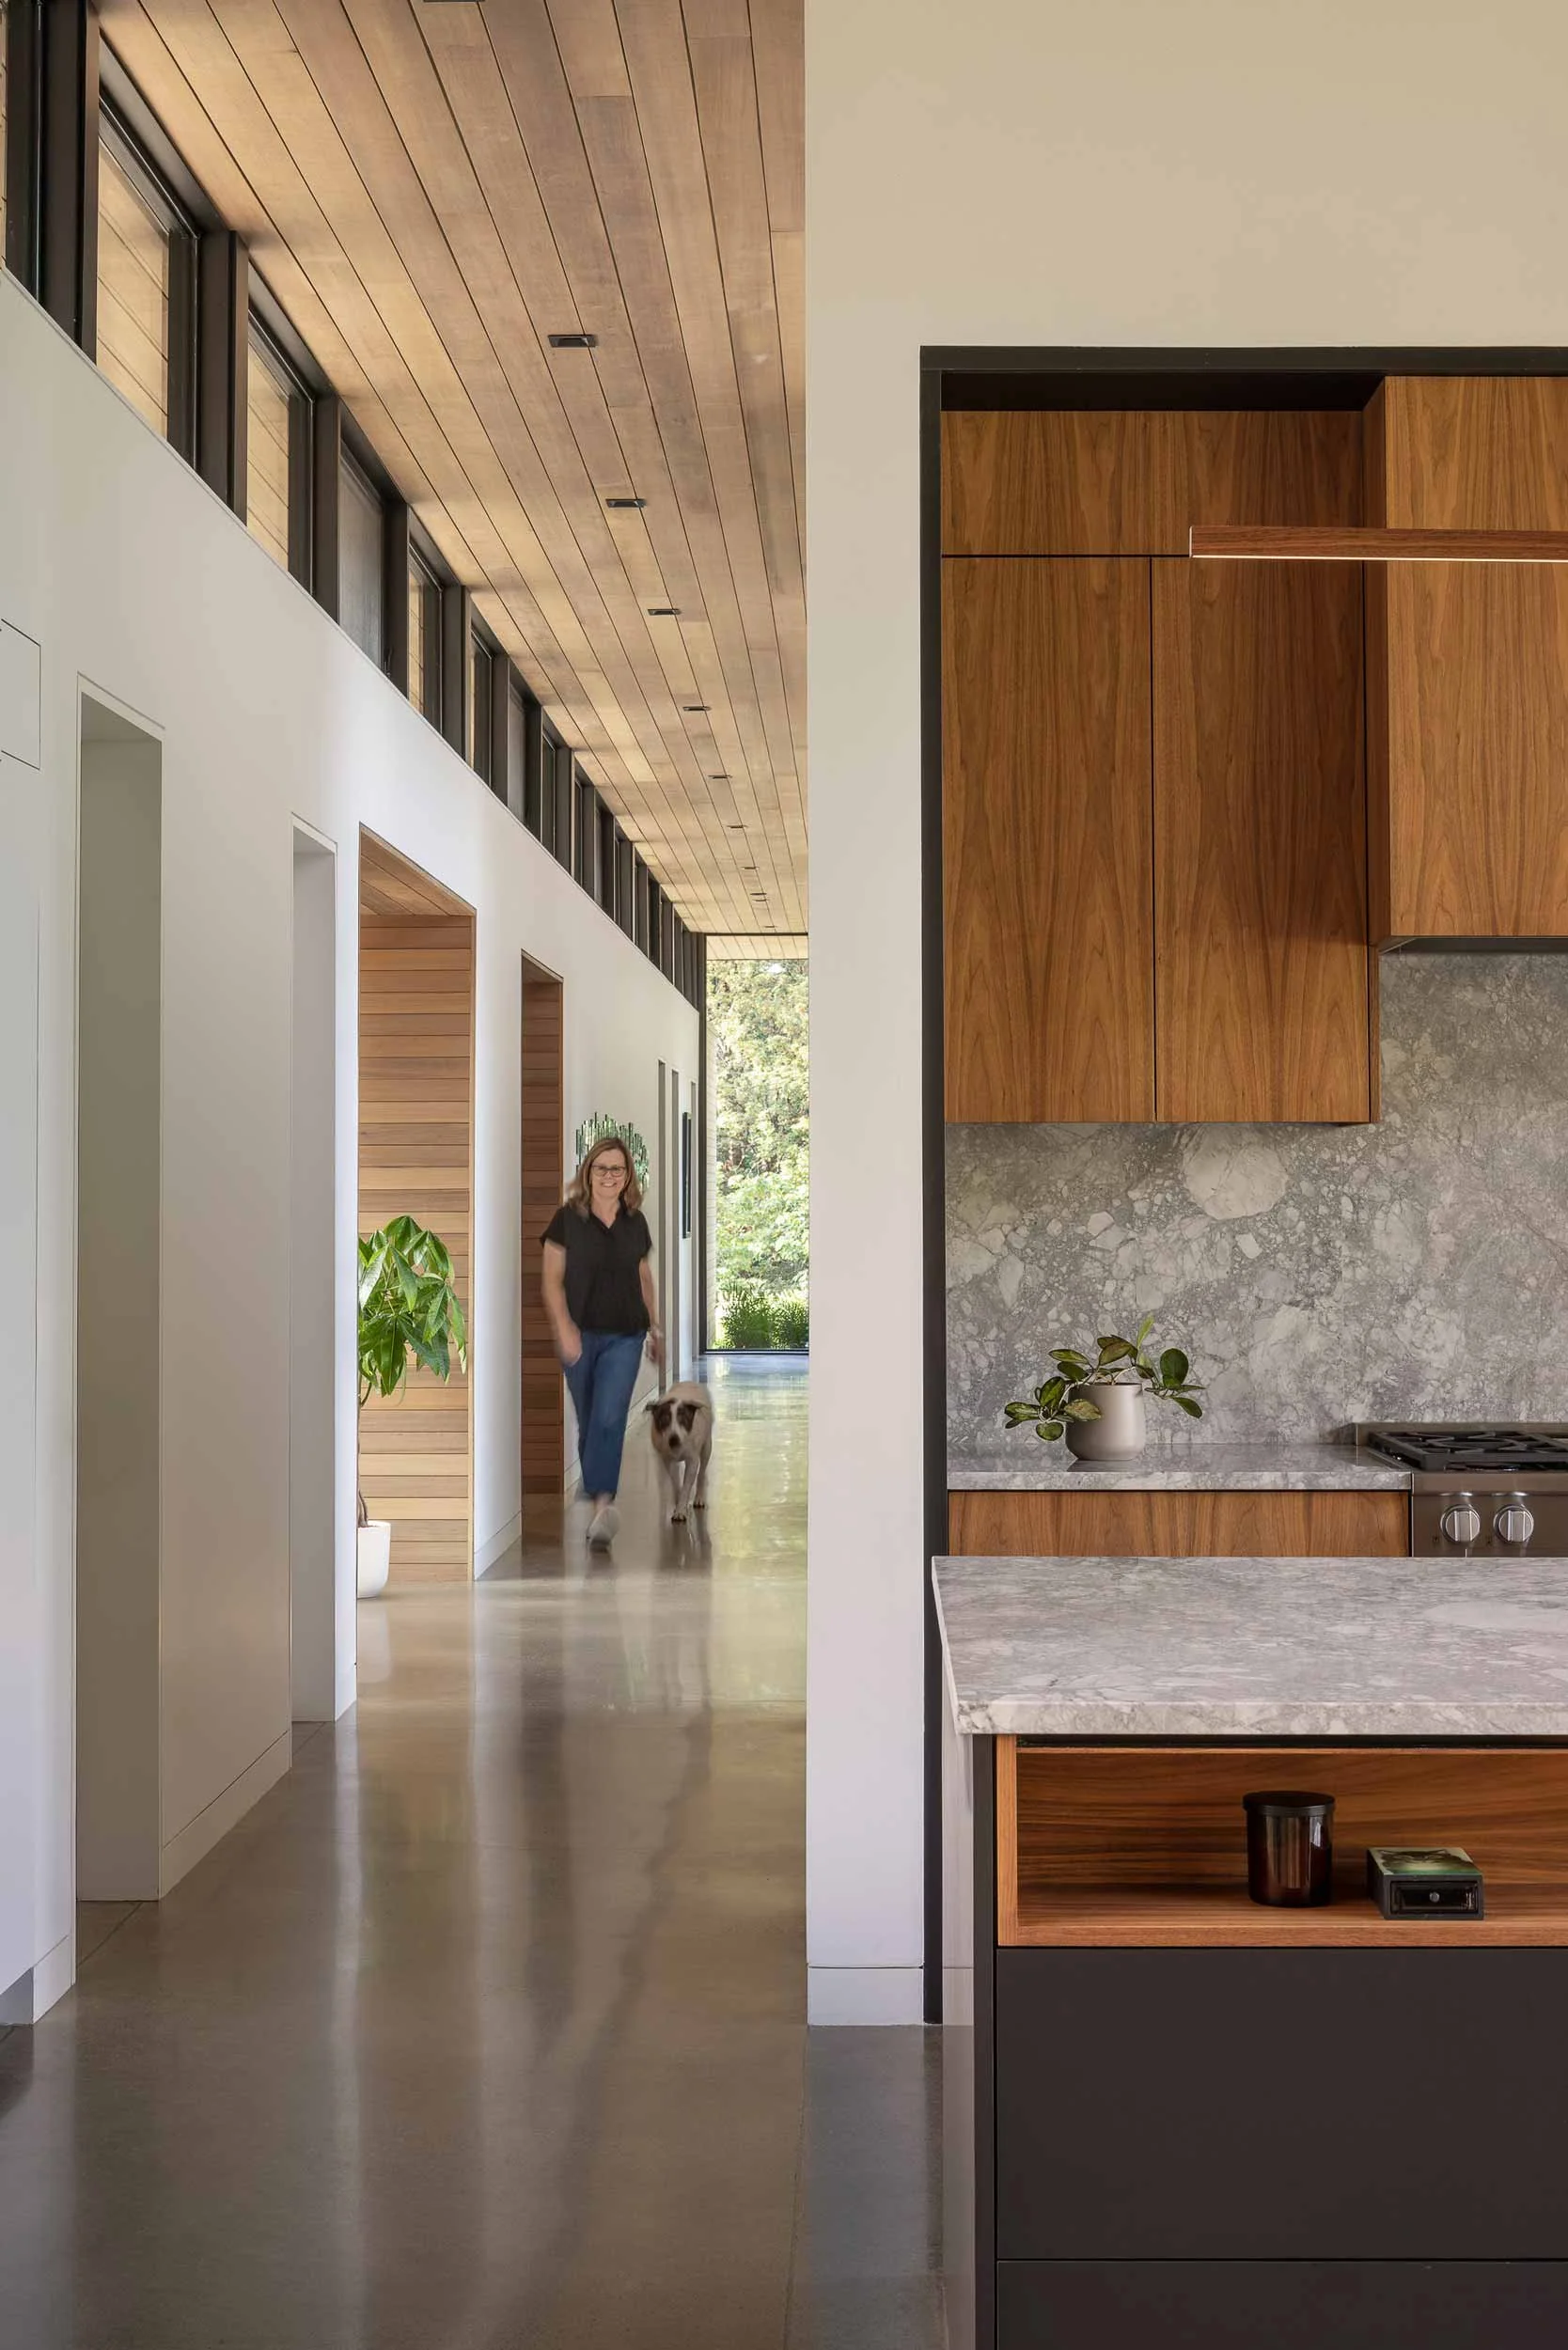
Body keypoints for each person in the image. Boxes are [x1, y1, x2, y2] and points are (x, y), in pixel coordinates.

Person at [541, 1134, 664, 1549]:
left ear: (627, 1175)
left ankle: (601, 1506)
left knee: (610, 1416)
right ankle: (598, 1493)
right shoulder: (567, 1220)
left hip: (625, 1335)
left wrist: (656, 1327)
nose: (609, 1176)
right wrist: (564, 1329)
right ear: (588, 1172)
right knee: (591, 1417)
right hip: (579, 1334)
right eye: (601, 1168)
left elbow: (643, 1277)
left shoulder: (636, 1222)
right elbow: (552, 1281)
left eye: (617, 1168)